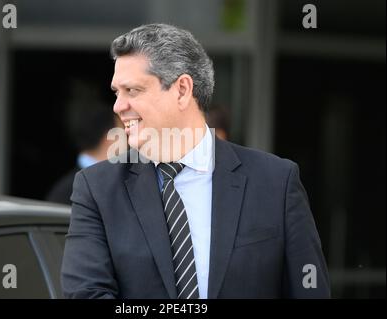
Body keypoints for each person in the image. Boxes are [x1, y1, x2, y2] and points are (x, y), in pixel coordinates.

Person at [61, 24, 330, 299]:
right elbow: (86, 294)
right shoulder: (97, 189)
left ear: (182, 90)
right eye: (117, 92)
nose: (118, 106)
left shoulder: (276, 182)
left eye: (132, 90)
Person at [46, 83, 119, 205]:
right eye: (122, 131)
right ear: (110, 137)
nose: (128, 139)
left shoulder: (63, 190)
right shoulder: (67, 193)